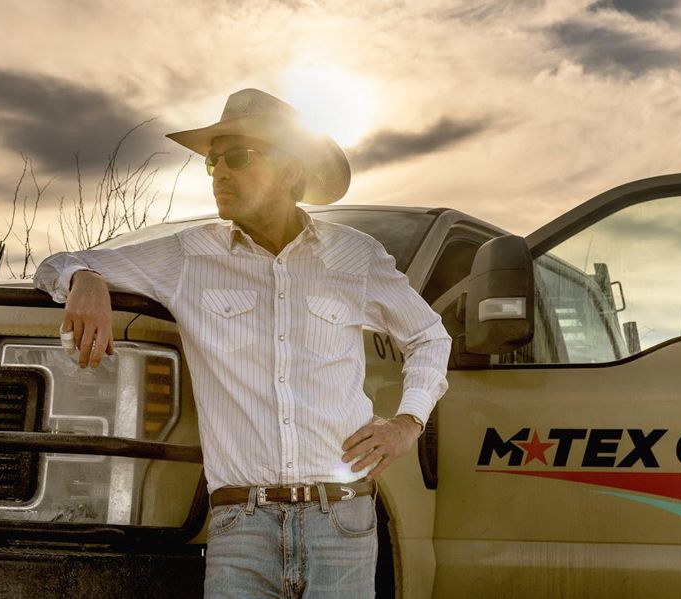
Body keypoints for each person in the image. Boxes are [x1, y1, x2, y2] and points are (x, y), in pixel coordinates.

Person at [34, 88, 451, 598]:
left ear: (292, 172)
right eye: (213, 161)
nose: (219, 173)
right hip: (241, 527)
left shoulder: (355, 257)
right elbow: (56, 263)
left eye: (238, 157)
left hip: (343, 521)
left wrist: (408, 422)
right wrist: (86, 278)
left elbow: (429, 336)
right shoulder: (190, 255)